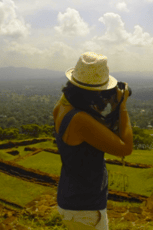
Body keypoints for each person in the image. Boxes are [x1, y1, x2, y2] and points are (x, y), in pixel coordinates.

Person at [53, 52, 133, 230]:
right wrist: (122, 106)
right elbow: (126, 148)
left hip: (71, 199)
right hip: (85, 207)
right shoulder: (80, 120)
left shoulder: (61, 107)